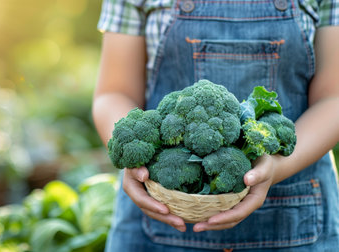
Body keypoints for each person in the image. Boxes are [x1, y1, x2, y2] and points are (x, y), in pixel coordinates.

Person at [92, 0, 339, 251]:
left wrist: (277, 166)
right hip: (159, 208)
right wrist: (134, 157)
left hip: (296, 213)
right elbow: (114, 92)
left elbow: (334, 98)